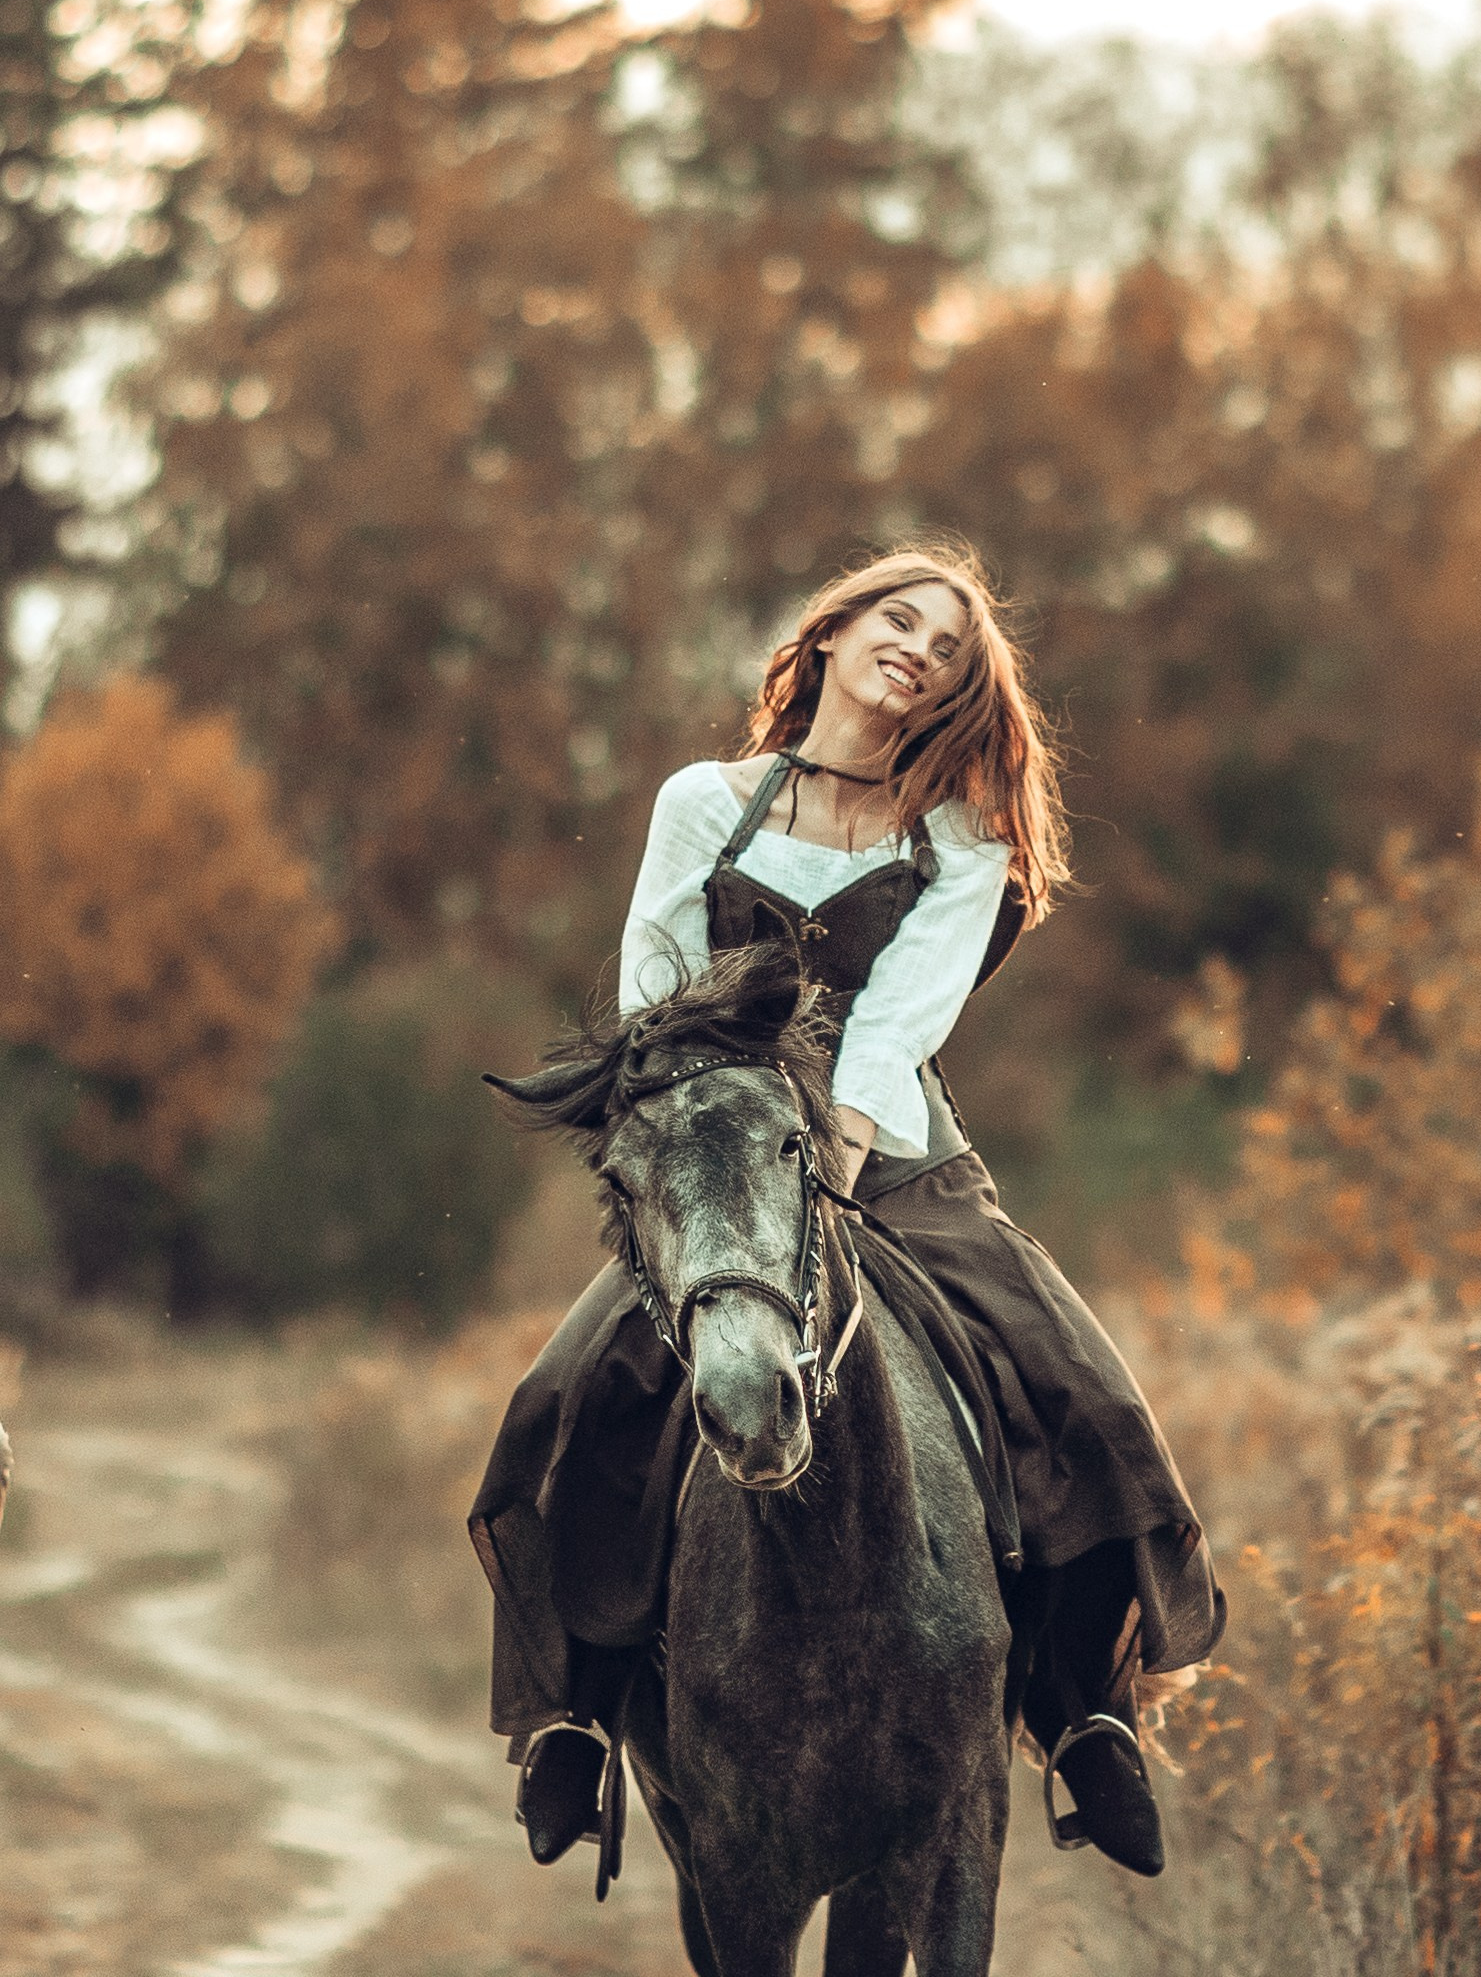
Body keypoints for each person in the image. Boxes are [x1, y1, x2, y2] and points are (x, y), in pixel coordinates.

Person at [470, 538, 1223, 1880]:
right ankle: (580, 1713)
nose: (918, 647)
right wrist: (708, 1151)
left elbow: (892, 1027)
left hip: (896, 1161)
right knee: (558, 1406)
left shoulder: (963, 838)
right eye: (899, 616)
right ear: (828, 633)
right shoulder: (704, 801)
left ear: (949, 696)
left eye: (946, 648)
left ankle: (1082, 1708)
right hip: (716, 1159)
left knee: (1095, 1408)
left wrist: (832, 1163)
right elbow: (658, 979)